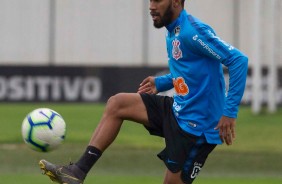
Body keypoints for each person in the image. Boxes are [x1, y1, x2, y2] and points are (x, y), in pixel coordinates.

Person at [39, 0, 248, 183]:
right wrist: (162, 83)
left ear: (176, 1)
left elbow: (238, 60)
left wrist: (229, 113)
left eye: (157, 1)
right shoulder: (173, 30)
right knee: (117, 104)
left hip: (197, 128)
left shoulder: (193, 32)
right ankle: (77, 171)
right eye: (150, 1)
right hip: (178, 109)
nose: (151, 7)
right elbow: (192, 72)